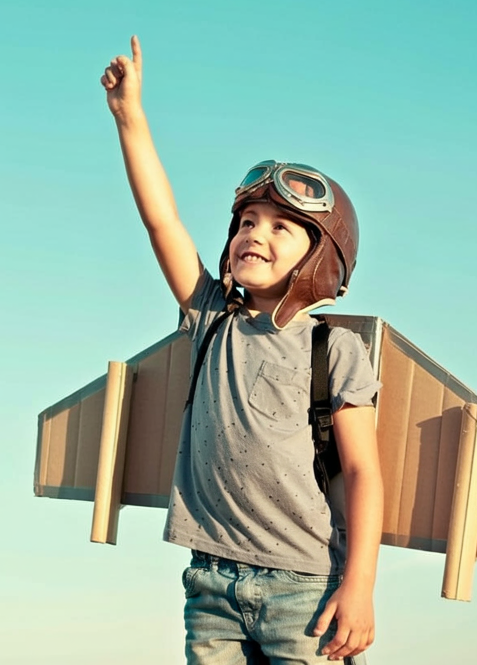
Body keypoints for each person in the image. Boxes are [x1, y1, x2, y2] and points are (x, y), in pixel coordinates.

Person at [100, 36, 384, 664]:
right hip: (210, 586)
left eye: (281, 227)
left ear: (320, 261)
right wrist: (130, 118)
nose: (255, 233)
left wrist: (360, 585)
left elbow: (362, 472)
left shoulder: (335, 350)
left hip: (305, 592)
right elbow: (162, 221)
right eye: (247, 222)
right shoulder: (209, 319)